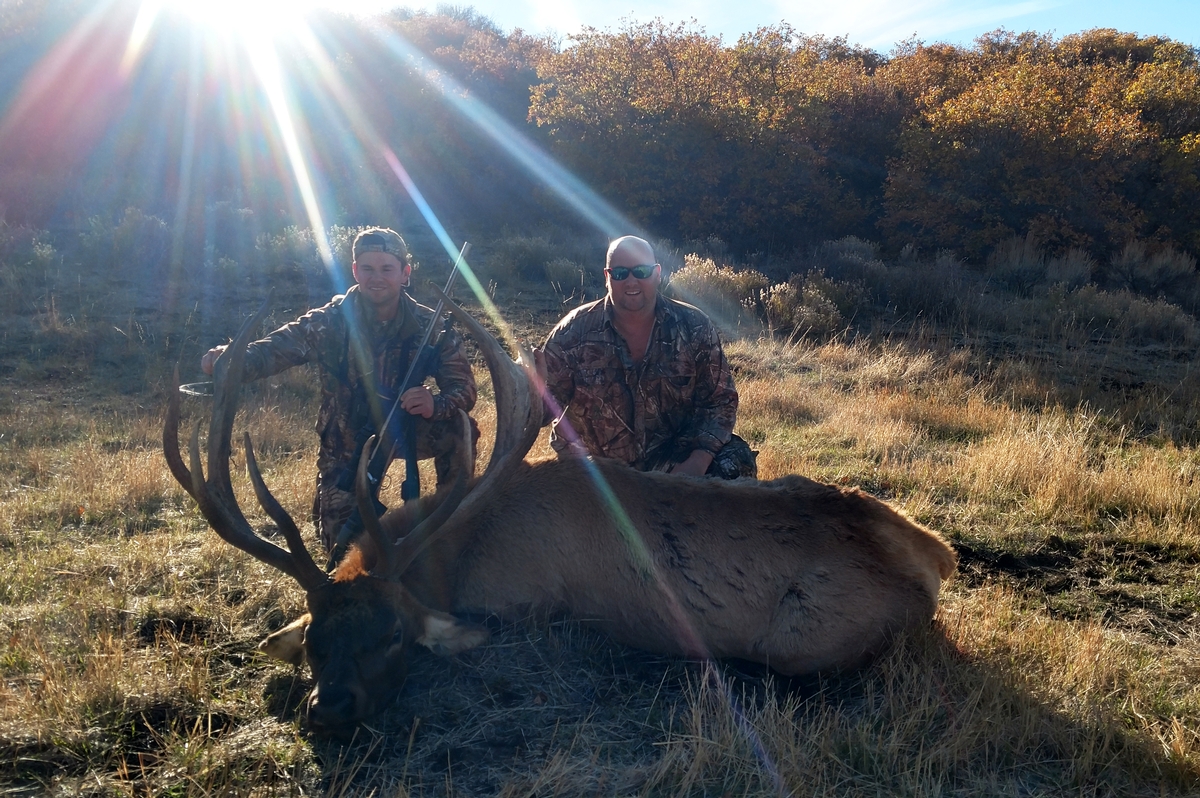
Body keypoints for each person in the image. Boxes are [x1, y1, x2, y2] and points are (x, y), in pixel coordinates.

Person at [201, 227, 478, 553]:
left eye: (387, 269)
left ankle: (452, 522)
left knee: (460, 428)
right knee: (341, 549)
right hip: (346, 444)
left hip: (407, 428)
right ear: (355, 271)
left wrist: (436, 403)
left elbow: (464, 389)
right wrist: (231, 359)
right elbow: (274, 349)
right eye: (368, 268)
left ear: (405, 274)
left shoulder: (432, 325)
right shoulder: (329, 321)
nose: (377, 278)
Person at [534, 235, 756, 479]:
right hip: (595, 472)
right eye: (620, 273)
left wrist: (696, 464)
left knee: (734, 462)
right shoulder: (571, 333)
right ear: (607, 277)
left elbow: (720, 401)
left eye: (641, 271)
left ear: (657, 273)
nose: (632, 281)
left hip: (669, 464)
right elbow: (542, 411)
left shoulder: (694, 327)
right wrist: (532, 391)